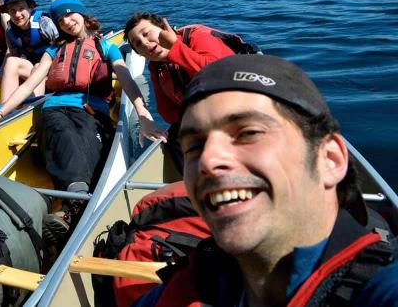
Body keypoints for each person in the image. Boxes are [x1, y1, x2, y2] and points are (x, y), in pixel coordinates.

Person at [133, 55, 398, 307]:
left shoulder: (382, 288)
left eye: (248, 132)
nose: (208, 161)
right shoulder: (186, 287)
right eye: (194, 147)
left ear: (330, 159)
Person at [0, 0, 166, 245]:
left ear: (83, 14)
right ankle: (77, 203)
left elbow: (126, 79)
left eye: (70, 13)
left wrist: (142, 114)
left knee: (86, 136)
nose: (66, 20)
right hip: (55, 108)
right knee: (61, 132)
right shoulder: (53, 50)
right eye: (60, 18)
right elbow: (30, 84)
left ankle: (69, 207)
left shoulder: (105, 46)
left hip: (91, 111)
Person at [124, 13, 236, 168]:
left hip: (238, 107)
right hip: (203, 119)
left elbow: (217, 73)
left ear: (163, 28)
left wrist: (175, 47)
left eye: (146, 33)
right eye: (138, 44)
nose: (145, 43)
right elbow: (166, 110)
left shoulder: (196, 37)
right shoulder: (156, 67)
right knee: (176, 139)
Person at [0, 0, 59, 104]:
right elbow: (15, 54)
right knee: (11, 61)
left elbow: (62, 47)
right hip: (32, 70)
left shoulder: (44, 23)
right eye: (12, 10)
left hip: (53, 69)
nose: (17, 14)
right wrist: (1, 73)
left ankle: (32, 106)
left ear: (30, 7)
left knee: (38, 67)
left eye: (21, 9)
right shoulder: (10, 31)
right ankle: (4, 108)